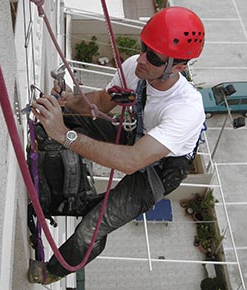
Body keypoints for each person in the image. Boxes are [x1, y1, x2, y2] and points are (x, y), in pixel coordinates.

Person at [28, 6, 205, 284]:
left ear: (178, 67)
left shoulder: (186, 109)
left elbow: (131, 162)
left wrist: (63, 134)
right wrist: (68, 101)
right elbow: (100, 102)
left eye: (154, 57)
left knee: (92, 227)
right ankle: (50, 188)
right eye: (144, 47)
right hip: (138, 138)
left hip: (160, 171)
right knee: (70, 118)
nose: (142, 59)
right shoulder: (136, 67)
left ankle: (53, 271)